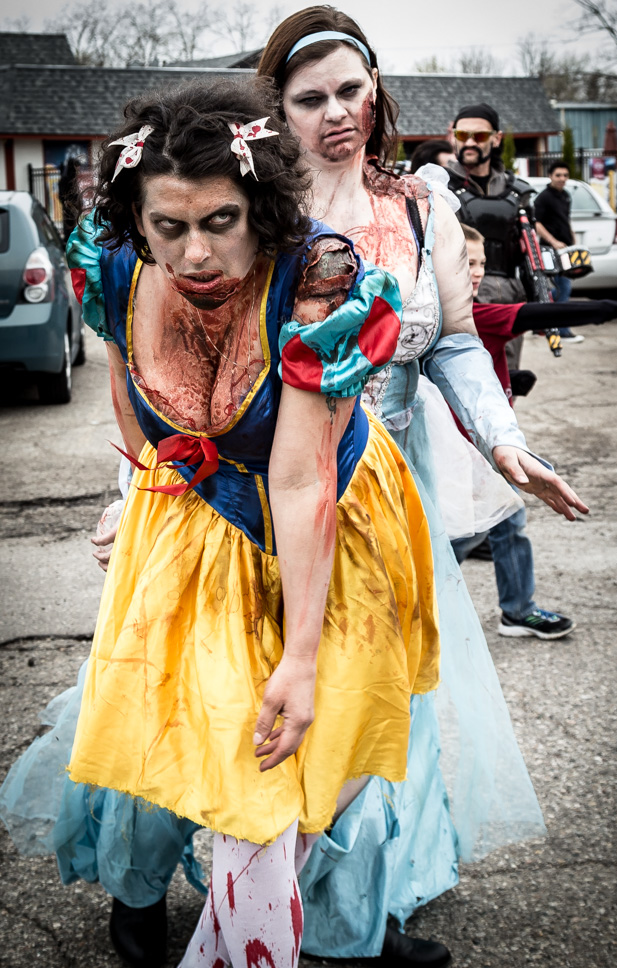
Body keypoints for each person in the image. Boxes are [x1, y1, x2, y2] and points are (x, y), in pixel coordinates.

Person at [1, 76, 443, 968]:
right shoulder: (115, 263)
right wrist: (138, 499)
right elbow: (131, 404)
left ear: (261, 208)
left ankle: (326, 925)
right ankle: (141, 897)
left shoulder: (318, 276)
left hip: (322, 521)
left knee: (304, 752)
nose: (194, 252)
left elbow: (299, 475)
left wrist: (300, 657)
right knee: (165, 726)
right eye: (168, 226)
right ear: (137, 220)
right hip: (189, 519)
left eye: (220, 221)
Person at [258, 5, 588, 961]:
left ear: (377, 93)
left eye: (350, 91)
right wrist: (135, 488)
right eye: (310, 98)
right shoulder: (255, 213)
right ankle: (167, 875)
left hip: (394, 499)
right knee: (266, 692)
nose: (336, 114)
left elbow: (451, 342)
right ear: (276, 110)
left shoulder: (418, 208)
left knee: (384, 701)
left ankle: (354, 914)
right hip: (273, 498)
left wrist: (503, 443)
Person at [452, 225, 617, 637]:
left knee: (507, 523)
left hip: (493, 447)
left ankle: (516, 611)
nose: (477, 272)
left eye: (481, 263)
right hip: (468, 451)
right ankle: (421, 610)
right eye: (466, 262)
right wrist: (597, 309)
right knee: (460, 537)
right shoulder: (472, 316)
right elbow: (532, 315)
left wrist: (512, 379)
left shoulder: (470, 311)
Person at [445, 102, 534, 369]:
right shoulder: (437, 187)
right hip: (457, 299)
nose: (470, 142)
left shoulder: (518, 193)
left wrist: (540, 297)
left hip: (508, 296)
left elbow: (531, 251)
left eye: (480, 135)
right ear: (453, 136)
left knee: (508, 377)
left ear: (496, 139)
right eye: (463, 135)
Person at [534, 160, 584, 343]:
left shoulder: (566, 196)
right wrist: (554, 242)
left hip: (566, 250)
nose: (562, 178)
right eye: (558, 175)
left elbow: (566, 220)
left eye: (565, 175)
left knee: (561, 289)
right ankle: (562, 330)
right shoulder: (543, 198)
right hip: (550, 250)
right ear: (550, 176)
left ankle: (539, 311)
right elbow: (537, 224)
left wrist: (573, 241)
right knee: (564, 287)